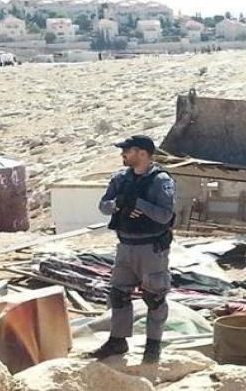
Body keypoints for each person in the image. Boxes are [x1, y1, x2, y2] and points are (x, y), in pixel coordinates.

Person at [87, 135, 176, 363]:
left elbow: (165, 215)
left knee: (154, 297)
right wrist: (120, 203)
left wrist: (139, 204)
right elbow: (104, 206)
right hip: (125, 246)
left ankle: (153, 346)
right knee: (118, 295)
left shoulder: (160, 181)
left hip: (151, 249)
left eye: (128, 150)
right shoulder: (120, 179)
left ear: (143, 153)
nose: (123, 155)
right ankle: (118, 340)